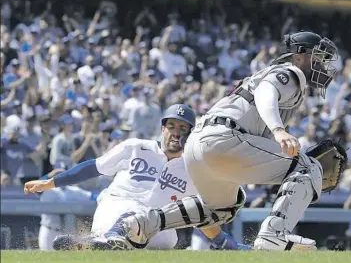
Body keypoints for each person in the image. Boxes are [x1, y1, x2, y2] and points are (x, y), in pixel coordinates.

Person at [59, 31, 341, 251]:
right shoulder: (289, 73)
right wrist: (278, 130)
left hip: (200, 145)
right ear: (301, 56)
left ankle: (137, 225)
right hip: (225, 138)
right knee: (307, 166)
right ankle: (274, 236)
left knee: (223, 206)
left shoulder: (280, 77)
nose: (324, 65)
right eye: (319, 57)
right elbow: (266, 93)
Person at [24, 104, 250, 251]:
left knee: (165, 237)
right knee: (127, 218)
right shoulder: (135, 147)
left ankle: (94, 244)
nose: (176, 132)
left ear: (190, 134)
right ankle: (105, 240)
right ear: (162, 129)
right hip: (116, 205)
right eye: (171, 125)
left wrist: (222, 241)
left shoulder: (193, 169)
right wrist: (51, 182)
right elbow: (94, 167)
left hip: (156, 225)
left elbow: (198, 213)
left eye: (182, 128)